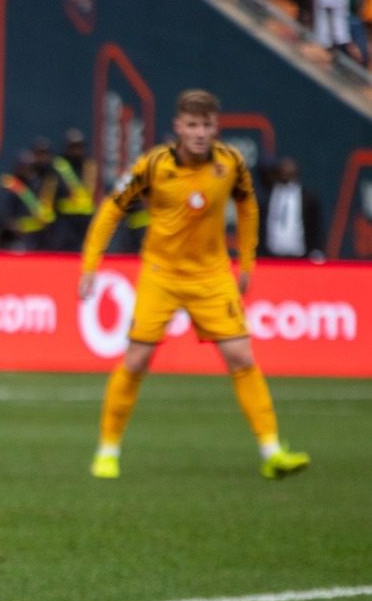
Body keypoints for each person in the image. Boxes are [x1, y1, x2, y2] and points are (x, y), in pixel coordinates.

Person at [79, 89, 310, 481]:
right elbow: (112, 209)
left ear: (216, 127)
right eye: (192, 125)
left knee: (241, 356)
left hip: (211, 276)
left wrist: (248, 262)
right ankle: (107, 450)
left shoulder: (230, 162)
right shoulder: (153, 166)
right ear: (178, 127)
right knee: (136, 360)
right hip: (161, 274)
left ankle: (272, 451)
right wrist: (89, 265)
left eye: (206, 125)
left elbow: (249, 207)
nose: (200, 133)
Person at [258, 156, 324, 260]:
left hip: (300, 259)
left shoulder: (307, 197)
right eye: (283, 167)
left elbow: (315, 226)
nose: (285, 170)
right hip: (271, 258)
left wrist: (316, 250)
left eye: (289, 167)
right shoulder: (267, 196)